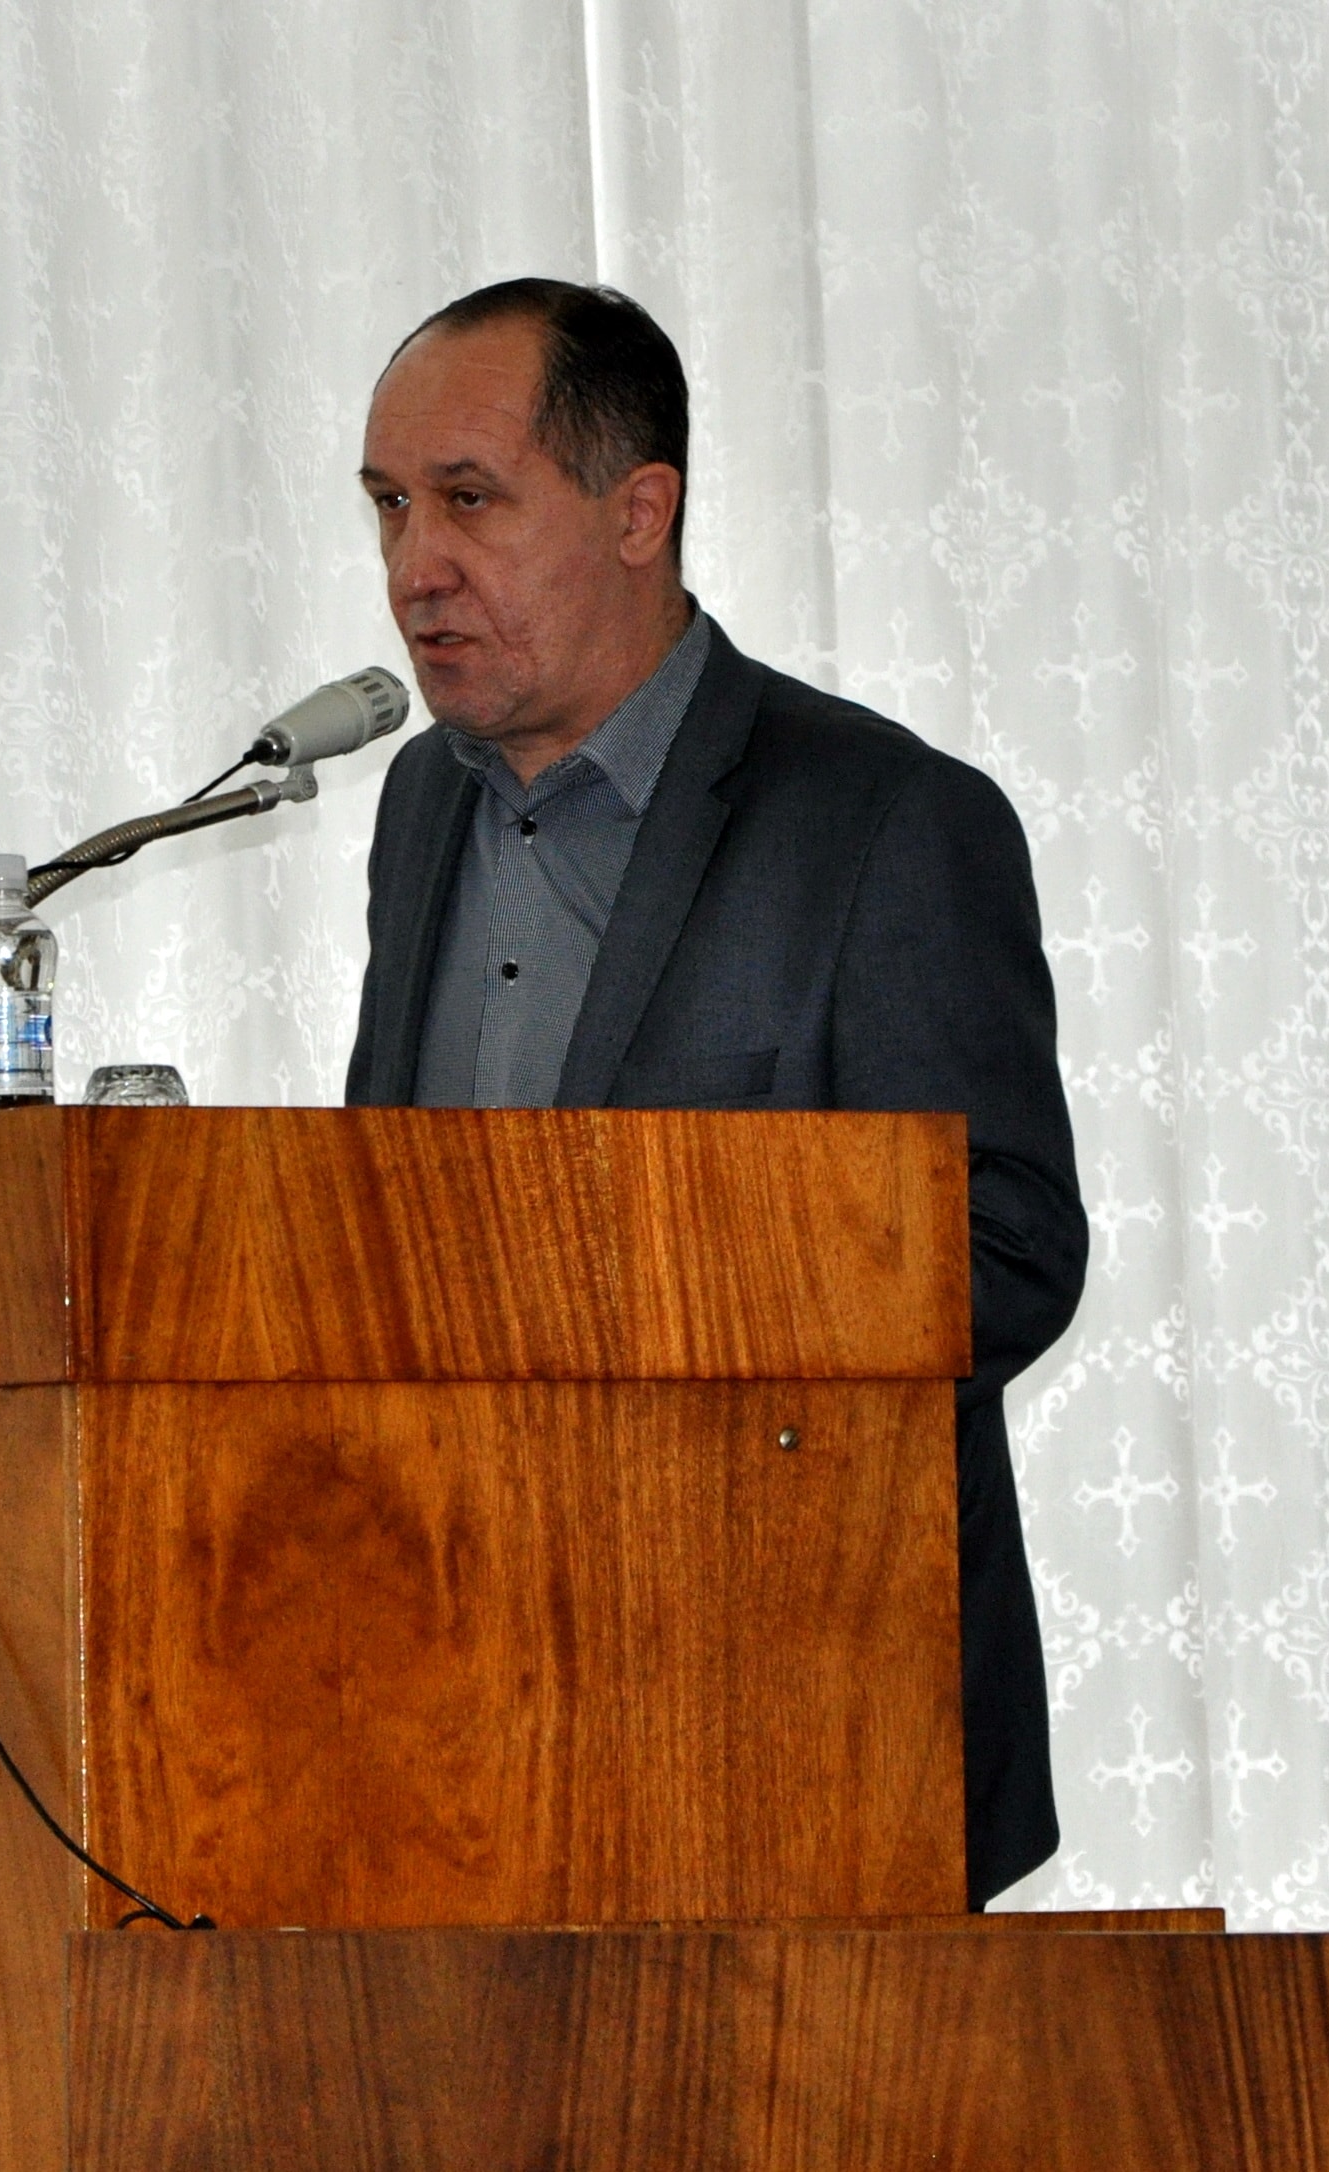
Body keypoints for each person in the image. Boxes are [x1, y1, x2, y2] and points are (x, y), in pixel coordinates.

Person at [345, 277, 1088, 1907]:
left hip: (804, 1725)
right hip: (472, 1729)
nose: (415, 567)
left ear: (639, 512)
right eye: (391, 506)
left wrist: (653, 1291)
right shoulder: (421, 812)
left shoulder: (883, 820)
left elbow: (1011, 1248)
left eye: (469, 500)